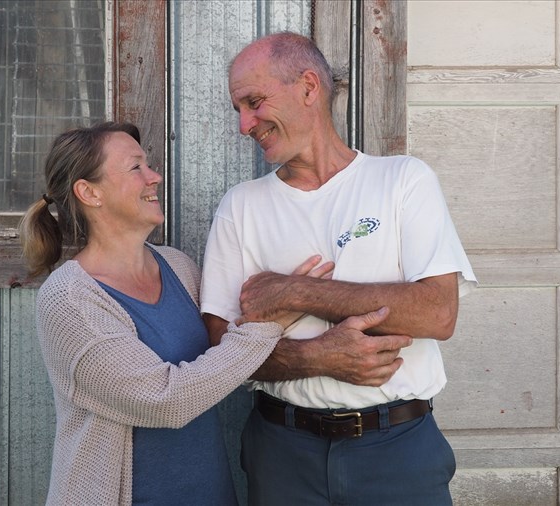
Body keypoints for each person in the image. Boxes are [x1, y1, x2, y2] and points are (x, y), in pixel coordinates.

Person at [19, 121, 380, 505]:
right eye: (136, 167)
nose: (154, 177)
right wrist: (270, 322)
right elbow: (164, 399)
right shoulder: (70, 300)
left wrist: (291, 299)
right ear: (89, 192)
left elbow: (228, 353)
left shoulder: (178, 267)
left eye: (148, 165)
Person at [200, 32, 477, 506]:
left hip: (397, 448)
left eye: (254, 102)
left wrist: (295, 292)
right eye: (238, 110)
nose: (245, 124)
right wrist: (318, 357)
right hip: (282, 451)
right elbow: (220, 350)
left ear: (309, 87)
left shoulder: (403, 180)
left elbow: (437, 313)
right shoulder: (241, 206)